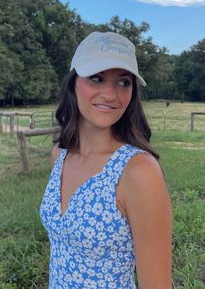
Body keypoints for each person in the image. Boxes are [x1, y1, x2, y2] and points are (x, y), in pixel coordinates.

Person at [40, 31, 172, 289]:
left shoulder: (138, 172)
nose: (110, 94)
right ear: (73, 83)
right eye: (97, 78)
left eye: (123, 82)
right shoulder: (60, 155)